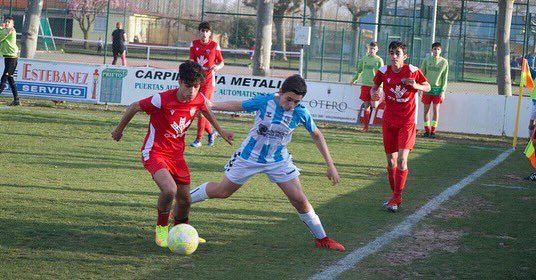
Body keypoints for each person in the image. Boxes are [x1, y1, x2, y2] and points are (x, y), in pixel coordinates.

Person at [189, 74, 346, 252]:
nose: (291, 105)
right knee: (222, 191)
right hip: (249, 157)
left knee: (299, 199)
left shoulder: (301, 112)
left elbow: (317, 134)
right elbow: (240, 105)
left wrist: (330, 165)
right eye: (289, 99)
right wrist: (213, 105)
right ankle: (183, 201)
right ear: (281, 93)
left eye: (296, 101)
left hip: (278, 160)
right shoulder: (266, 101)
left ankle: (322, 238)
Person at [111, 61, 234, 248]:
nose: (192, 90)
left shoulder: (198, 98)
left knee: (185, 200)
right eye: (188, 85)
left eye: (196, 86)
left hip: (177, 156)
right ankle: (161, 229)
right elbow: (134, 106)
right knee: (170, 190)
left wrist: (221, 131)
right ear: (179, 81)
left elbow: (205, 111)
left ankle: (182, 233)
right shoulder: (162, 99)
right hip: (154, 152)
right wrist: (119, 130)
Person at [371, 41, 431, 212]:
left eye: (397, 53)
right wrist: (374, 94)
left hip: (407, 122)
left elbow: (428, 86)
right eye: (391, 53)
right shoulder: (383, 71)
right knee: (391, 162)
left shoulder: (412, 70)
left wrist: (415, 85)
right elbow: (374, 88)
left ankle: (397, 197)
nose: (394, 56)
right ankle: (394, 195)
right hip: (389, 121)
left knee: (402, 160)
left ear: (405, 56)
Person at [189, 21, 225, 148]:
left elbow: (221, 62)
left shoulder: (215, 45)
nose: (204, 33)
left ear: (210, 33)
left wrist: (217, 67)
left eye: (206, 31)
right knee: (198, 110)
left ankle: (198, 140)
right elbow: (191, 61)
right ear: (199, 32)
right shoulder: (194, 44)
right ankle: (211, 132)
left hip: (209, 83)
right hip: (197, 81)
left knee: (202, 110)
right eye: (202, 31)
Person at [352, 41, 384, 132]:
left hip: (375, 86)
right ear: (368, 49)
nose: (372, 50)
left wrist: (380, 87)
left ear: (377, 50)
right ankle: (365, 127)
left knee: (375, 105)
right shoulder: (364, 59)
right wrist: (355, 79)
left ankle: (384, 124)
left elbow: (382, 74)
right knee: (366, 106)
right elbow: (359, 70)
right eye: (370, 48)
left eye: (374, 49)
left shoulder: (379, 60)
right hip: (365, 85)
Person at [420, 42, 449, 138]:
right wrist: (420, 88)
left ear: (441, 51)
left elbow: (445, 78)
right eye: (434, 49)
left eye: (438, 49)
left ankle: (433, 131)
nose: (436, 51)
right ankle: (427, 130)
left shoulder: (444, 62)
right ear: (432, 50)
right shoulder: (426, 60)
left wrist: (443, 91)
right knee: (426, 111)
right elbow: (421, 75)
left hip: (437, 90)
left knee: (436, 111)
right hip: (427, 89)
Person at [0, 17, 19, 106]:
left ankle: (16, 100)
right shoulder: (4, 30)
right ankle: (16, 100)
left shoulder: (11, 31)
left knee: (4, 77)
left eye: (9, 22)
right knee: (10, 78)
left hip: (12, 58)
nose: (7, 23)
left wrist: (3, 29)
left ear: (12, 25)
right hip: (7, 57)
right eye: (6, 21)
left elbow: (1, 38)